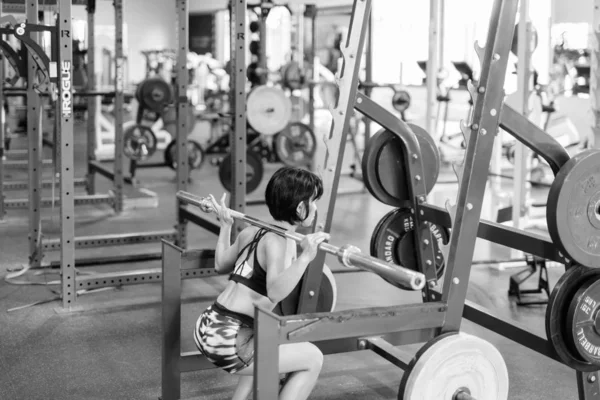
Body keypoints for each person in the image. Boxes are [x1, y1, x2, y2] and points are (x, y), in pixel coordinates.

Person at [194, 167, 330, 400]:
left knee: (265, 341)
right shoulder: (281, 240)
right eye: (313, 202)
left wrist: (226, 226)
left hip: (207, 325)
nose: (315, 208)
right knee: (313, 358)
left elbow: (220, 264)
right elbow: (276, 291)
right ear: (300, 207)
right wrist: (306, 256)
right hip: (230, 338)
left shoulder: (251, 230)